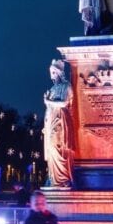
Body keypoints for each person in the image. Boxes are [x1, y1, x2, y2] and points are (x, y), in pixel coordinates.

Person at [43, 59, 73, 188]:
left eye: (54, 72)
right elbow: (48, 109)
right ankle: (54, 178)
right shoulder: (53, 88)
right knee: (51, 150)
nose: (51, 76)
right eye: (51, 72)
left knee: (57, 148)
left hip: (60, 120)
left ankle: (62, 179)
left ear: (60, 73)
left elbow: (64, 103)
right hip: (51, 122)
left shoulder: (66, 86)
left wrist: (48, 101)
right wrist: (45, 124)